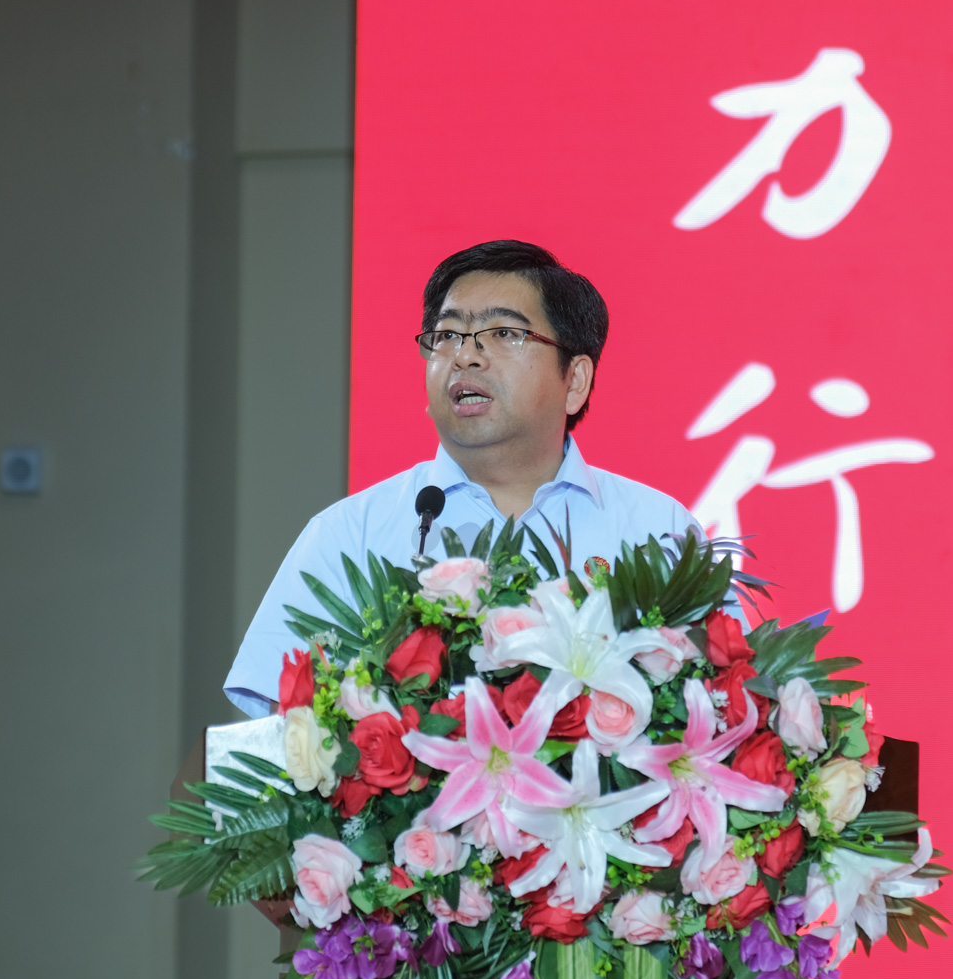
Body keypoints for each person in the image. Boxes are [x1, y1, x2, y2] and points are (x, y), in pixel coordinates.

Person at [222, 239, 700, 715]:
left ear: (574, 380)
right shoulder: (349, 535)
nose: (465, 356)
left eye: (505, 333)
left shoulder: (660, 532)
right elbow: (278, 732)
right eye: (447, 335)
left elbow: (719, 708)